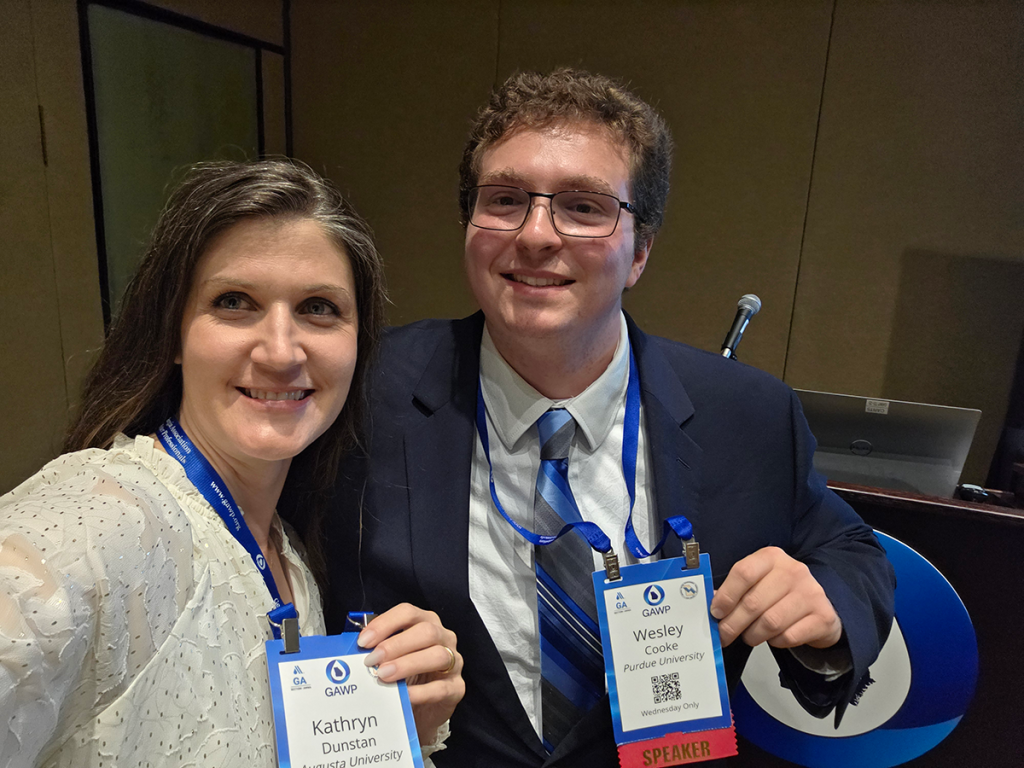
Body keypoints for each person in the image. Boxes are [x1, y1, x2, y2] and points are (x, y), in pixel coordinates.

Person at [323, 69, 895, 767]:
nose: (535, 236)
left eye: (584, 208)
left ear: (641, 251)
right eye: (504, 200)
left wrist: (828, 607)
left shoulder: (746, 415)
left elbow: (851, 554)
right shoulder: (359, 394)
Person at [0, 160, 464, 768]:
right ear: (172, 331)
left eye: (319, 308)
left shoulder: (290, 558)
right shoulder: (102, 518)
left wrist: (399, 728)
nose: (279, 350)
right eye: (234, 301)